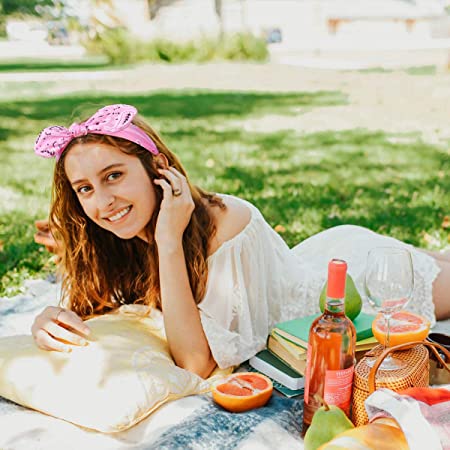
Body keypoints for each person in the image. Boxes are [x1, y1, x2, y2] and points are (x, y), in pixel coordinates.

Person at [31, 104, 450, 379]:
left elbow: (196, 362)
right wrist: (46, 317)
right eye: (84, 188)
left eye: (114, 175)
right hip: (321, 253)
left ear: (156, 166)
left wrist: (169, 242)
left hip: (345, 288)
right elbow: (96, 308)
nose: (102, 201)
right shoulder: (110, 235)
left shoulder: (225, 223)